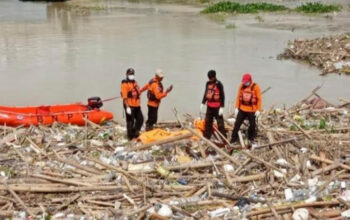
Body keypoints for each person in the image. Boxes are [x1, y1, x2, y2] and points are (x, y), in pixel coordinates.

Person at [230, 73, 262, 144]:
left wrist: (258, 110)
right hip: (242, 109)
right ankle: (233, 139)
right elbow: (238, 97)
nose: (245, 83)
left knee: (253, 125)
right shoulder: (241, 86)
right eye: (244, 82)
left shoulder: (256, 87)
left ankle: (251, 138)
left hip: (252, 110)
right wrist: (236, 107)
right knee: (237, 124)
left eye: (246, 82)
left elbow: (259, 99)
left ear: (250, 80)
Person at [200, 70, 226, 139]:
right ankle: (207, 137)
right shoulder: (207, 83)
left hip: (217, 107)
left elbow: (222, 96)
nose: (210, 79)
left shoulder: (219, 84)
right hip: (209, 106)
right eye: (209, 78)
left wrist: (222, 107)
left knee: (220, 124)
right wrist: (203, 103)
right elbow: (205, 93)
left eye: (211, 78)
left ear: (214, 77)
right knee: (208, 122)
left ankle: (223, 138)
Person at [120, 68, 144, 140]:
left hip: (136, 105)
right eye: (130, 74)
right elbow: (124, 97)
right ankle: (130, 136)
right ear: (127, 74)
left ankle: (136, 131)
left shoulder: (135, 82)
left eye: (132, 74)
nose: (131, 75)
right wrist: (127, 107)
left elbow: (138, 91)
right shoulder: (125, 84)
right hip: (129, 105)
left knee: (140, 119)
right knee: (130, 121)